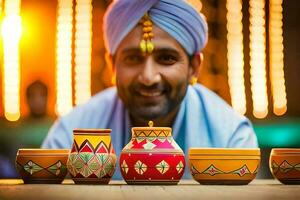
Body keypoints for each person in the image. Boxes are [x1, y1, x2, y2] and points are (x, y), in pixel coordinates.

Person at [42, 0, 258, 179]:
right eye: (133, 58)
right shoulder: (71, 134)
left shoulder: (231, 137)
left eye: (166, 58)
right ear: (112, 66)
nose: (148, 77)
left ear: (194, 67)